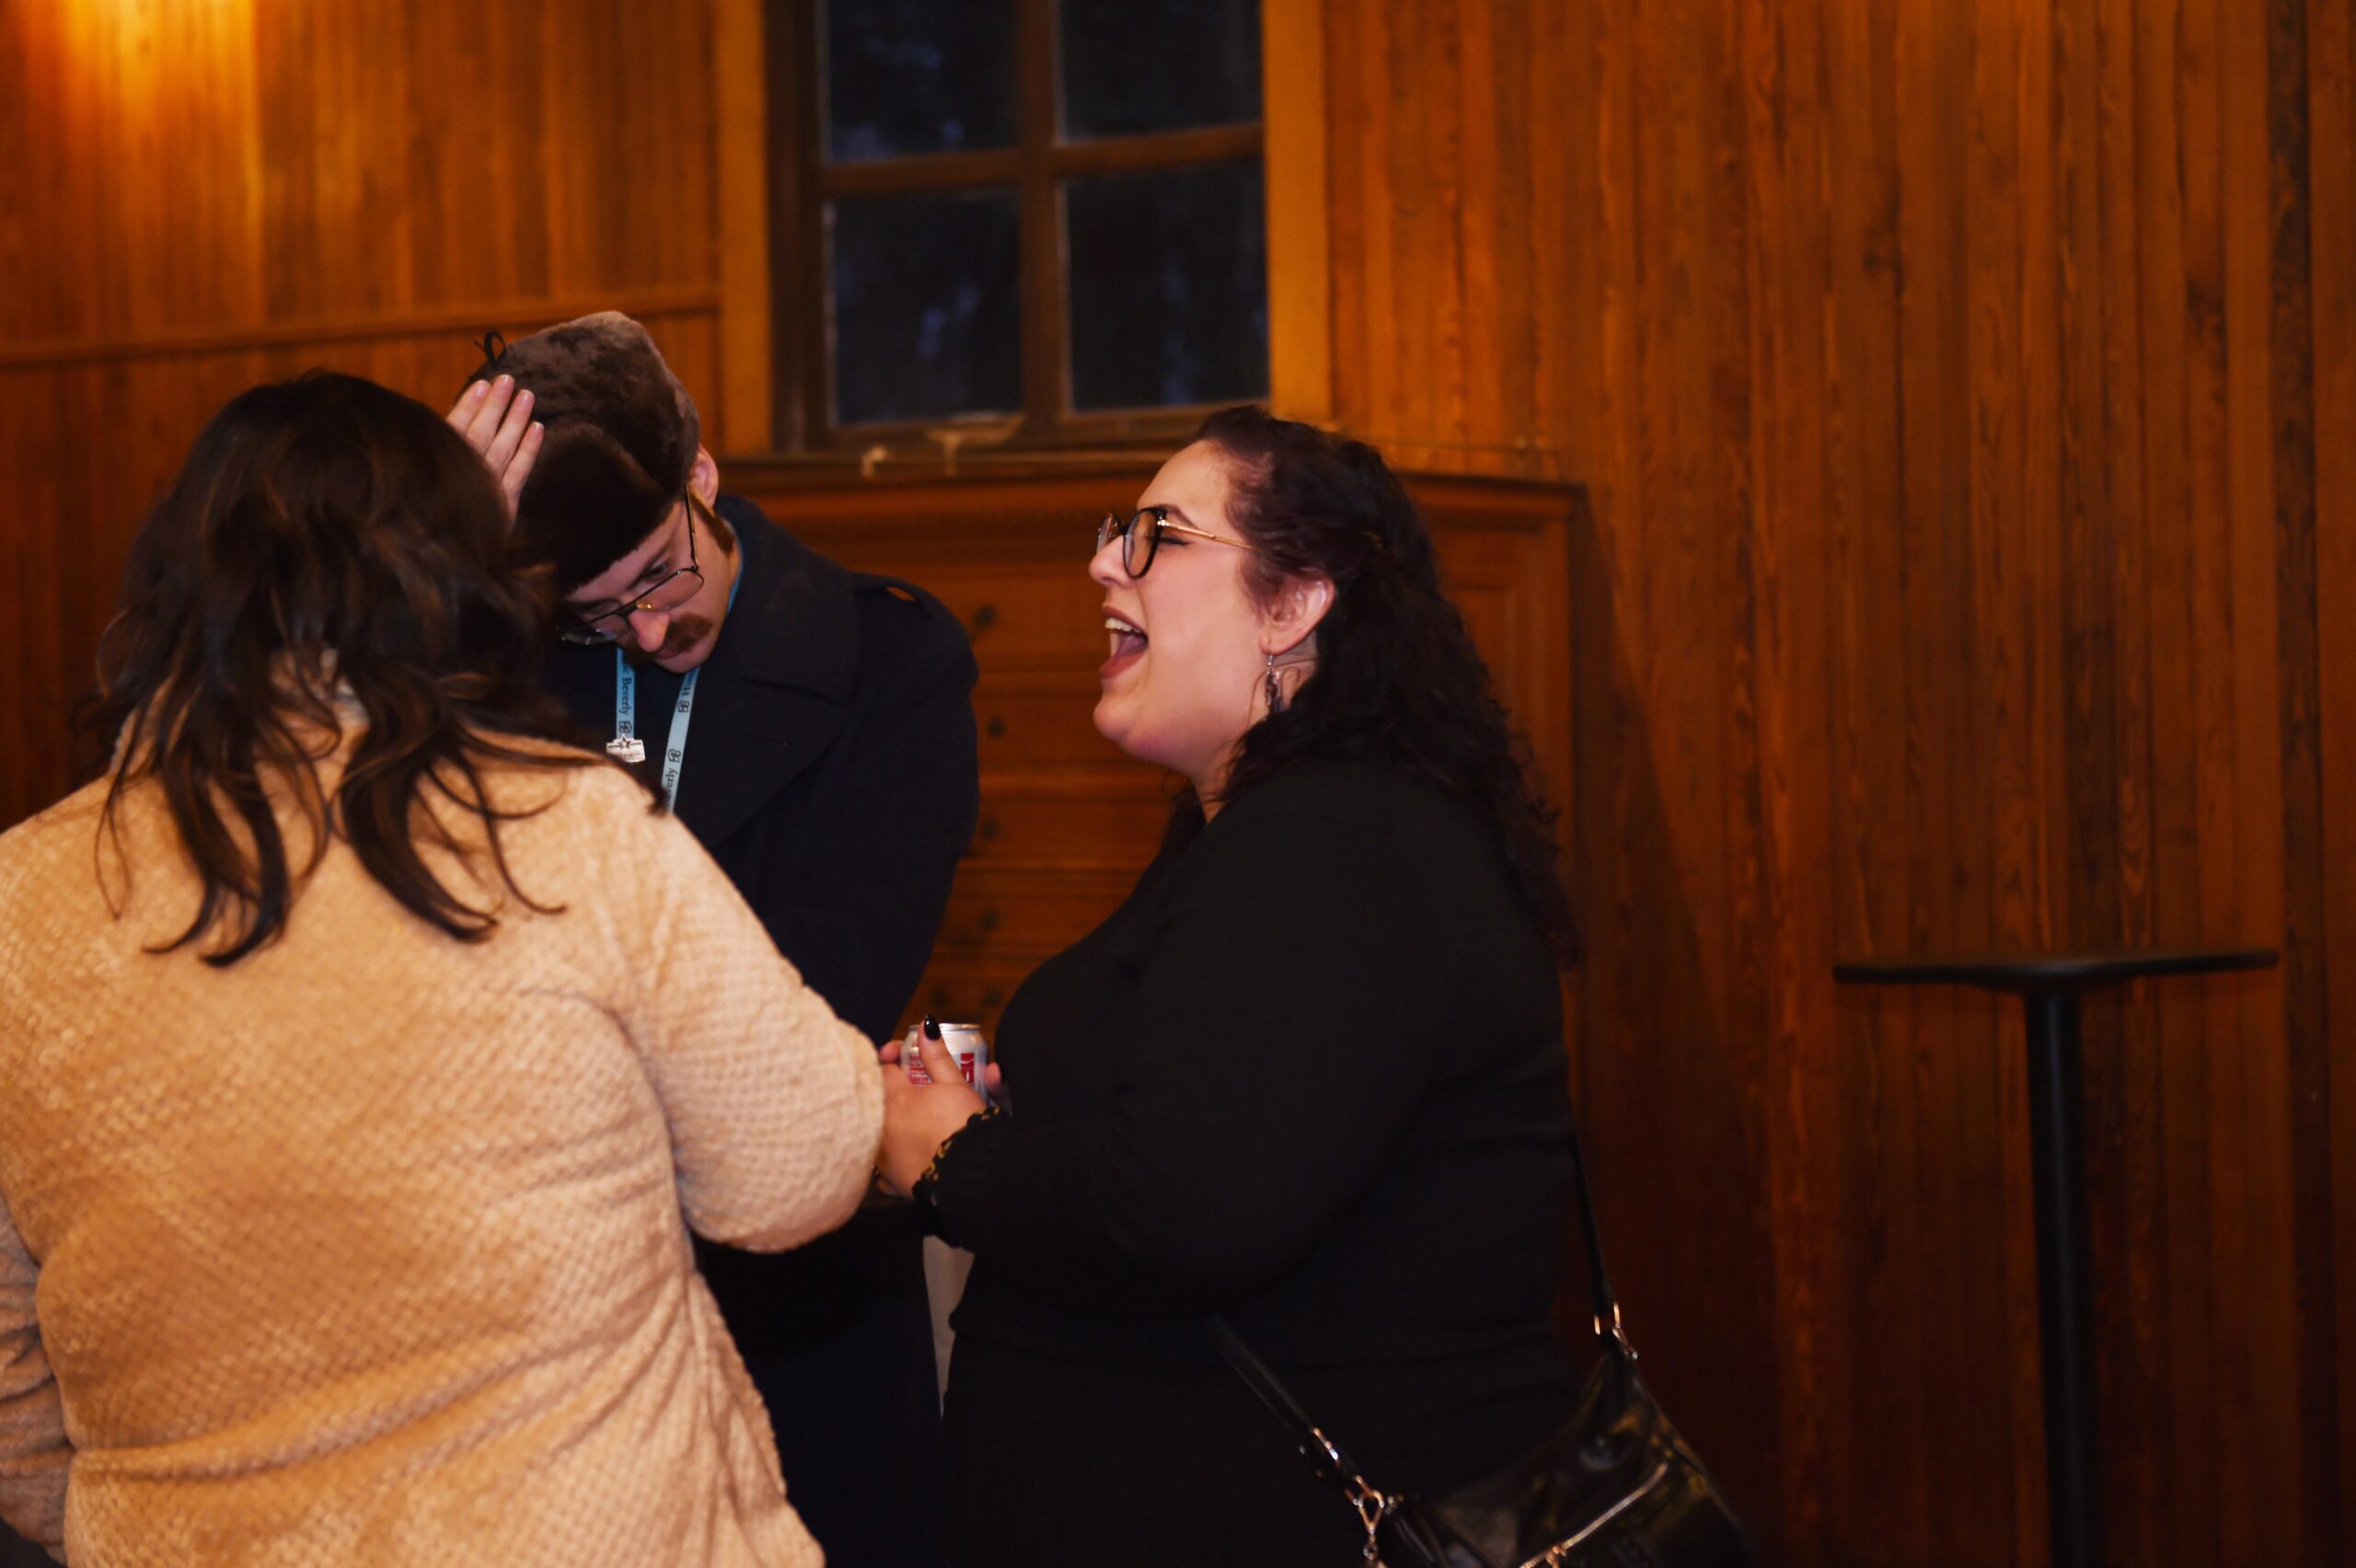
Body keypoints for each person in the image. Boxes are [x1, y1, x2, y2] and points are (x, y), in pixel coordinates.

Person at [0, 373, 883, 1566]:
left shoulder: (21, 900)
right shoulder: (558, 825)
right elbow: (799, 1168)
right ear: (456, 579)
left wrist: (136, 1517)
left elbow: (10, 1378)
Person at [877, 409, 1586, 1567]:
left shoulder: (1335, 847)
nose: (1104, 564)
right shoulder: (1265, 833)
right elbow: (1211, 1131)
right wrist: (995, 1115)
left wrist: (956, 1157)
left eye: (1157, 535)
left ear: (1291, 602)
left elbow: (1179, 1209)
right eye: (1116, 531)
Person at [449, 314, 977, 1568]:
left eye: (660, 577)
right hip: (553, 1305)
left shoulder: (888, 656)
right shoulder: (488, 671)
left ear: (699, 475)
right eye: (591, 616)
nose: (642, 631)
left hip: (795, 1286)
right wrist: (436, 572)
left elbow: (829, 997)